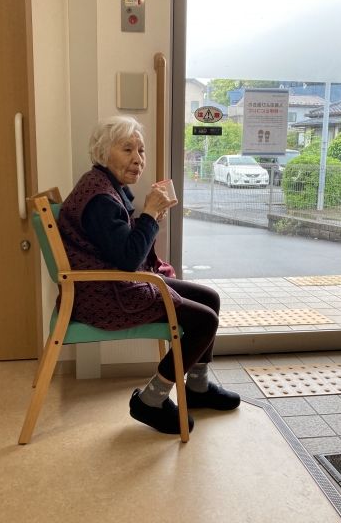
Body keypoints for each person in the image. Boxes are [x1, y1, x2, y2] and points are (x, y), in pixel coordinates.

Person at [57, 115, 240, 435]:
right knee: (205, 320)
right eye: (127, 149)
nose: (138, 159)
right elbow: (129, 259)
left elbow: (125, 252)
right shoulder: (100, 199)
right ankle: (151, 400)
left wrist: (150, 218)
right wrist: (150, 214)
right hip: (106, 294)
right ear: (102, 152)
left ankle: (197, 388)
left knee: (209, 298)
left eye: (141, 151)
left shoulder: (104, 186)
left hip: (112, 282)